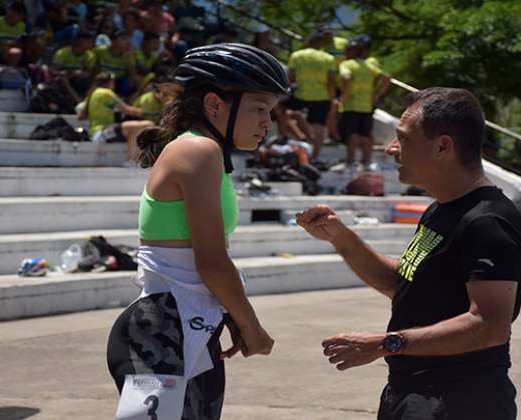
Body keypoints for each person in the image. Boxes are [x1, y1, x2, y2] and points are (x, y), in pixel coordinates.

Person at [296, 87, 521, 420]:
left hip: (460, 401)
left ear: (442, 147)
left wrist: (384, 344)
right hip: (413, 392)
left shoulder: (488, 222)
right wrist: (341, 238)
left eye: (402, 139)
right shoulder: (441, 210)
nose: (391, 149)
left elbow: (490, 324)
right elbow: (404, 282)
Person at [106, 43, 290, 419]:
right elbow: (211, 261)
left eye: (269, 112)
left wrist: (227, 316)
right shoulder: (198, 152)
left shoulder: (206, 154)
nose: (267, 123)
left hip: (183, 326)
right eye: (259, 108)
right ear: (214, 104)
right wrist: (250, 326)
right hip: (165, 329)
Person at [338, 37, 390, 171]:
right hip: (367, 105)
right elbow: (387, 78)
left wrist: (345, 94)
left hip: (351, 104)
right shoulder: (369, 65)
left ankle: (350, 161)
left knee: (352, 133)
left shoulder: (347, 64)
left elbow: (346, 77)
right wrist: (376, 94)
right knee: (366, 133)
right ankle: (366, 161)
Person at [78, 72, 153, 161]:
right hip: (101, 132)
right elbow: (129, 110)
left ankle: (135, 158)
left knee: (144, 125)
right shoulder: (107, 93)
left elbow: (80, 116)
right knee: (143, 125)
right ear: (110, 82)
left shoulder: (93, 93)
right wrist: (145, 111)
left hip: (96, 132)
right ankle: (131, 160)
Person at [286, 30, 336, 160]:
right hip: (322, 97)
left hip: (301, 95)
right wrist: (331, 99)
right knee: (319, 127)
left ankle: (303, 147)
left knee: (289, 115)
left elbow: (291, 77)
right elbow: (331, 81)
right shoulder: (329, 58)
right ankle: (315, 156)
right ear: (321, 44)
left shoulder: (296, 55)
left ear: (308, 42)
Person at [52, 30, 96, 102]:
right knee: (63, 80)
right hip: (63, 79)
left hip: (78, 79)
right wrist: (67, 73)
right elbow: (53, 71)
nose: (92, 43)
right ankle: (76, 99)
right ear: (81, 41)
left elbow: (89, 73)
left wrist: (77, 73)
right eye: (89, 41)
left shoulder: (90, 55)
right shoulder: (62, 53)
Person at [0, 1, 28, 67]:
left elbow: (20, 42)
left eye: (14, 16)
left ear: (21, 17)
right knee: (16, 52)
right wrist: (9, 43)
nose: (10, 17)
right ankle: (8, 72)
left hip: (12, 53)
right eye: (10, 14)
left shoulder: (22, 26)